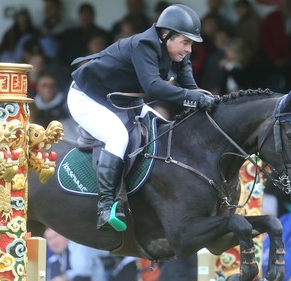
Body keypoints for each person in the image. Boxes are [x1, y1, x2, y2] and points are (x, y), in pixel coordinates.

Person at [67, 4, 219, 231]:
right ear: (166, 35)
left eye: (191, 44)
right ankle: (106, 206)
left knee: (162, 125)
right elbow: (154, 88)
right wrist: (194, 99)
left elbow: (190, 89)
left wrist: (210, 102)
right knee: (117, 137)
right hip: (87, 97)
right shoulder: (144, 45)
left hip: (120, 101)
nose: (189, 50)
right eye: (185, 42)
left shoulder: (178, 54)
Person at [44, 228, 109, 281]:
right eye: (49, 239)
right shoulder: (53, 259)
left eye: (56, 236)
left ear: (65, 235)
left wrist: (64, 278)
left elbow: (82, 274)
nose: (53, 242)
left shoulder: (79, 246)